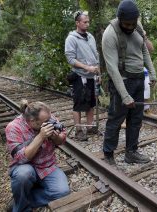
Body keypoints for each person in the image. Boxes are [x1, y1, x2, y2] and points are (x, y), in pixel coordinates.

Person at [102, 0, 157, 165]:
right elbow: (112, 70)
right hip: (122, 81)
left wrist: (152, 73)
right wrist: (125, 95)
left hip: (139, 79)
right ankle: (108, 154)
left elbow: (144, 50)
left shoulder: (137, 25)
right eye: (127, 24)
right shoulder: (110, 35)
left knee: (136, 119)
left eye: (133, 23)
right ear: (119, 19)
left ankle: (131, 152)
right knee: (116, 119)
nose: (131, 26)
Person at [5, 100, 70, 211]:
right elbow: (21, 159)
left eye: (50, 117)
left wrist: (56, 137)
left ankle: (24, 199)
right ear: (32, 121)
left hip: (47, 166)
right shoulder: (13, 128)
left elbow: (62, 140)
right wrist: (40, 136)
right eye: (46, 121)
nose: (51, 121)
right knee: (23, 174)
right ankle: (21, 208)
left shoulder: (48, 118)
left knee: (62, 192)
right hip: (25, 166)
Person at [65, 10, 100, 141]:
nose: (87, 24)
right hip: (80, 76)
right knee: (78, 104)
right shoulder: (71, 39)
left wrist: (98, 72)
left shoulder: (90, 37)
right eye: (85, 22)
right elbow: (70, 59)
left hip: (92, 76)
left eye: (88, 21)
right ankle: (78, 130)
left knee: (91, 103)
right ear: (77, 23)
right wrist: (87, 68)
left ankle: (90, 127)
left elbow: (96, 56)